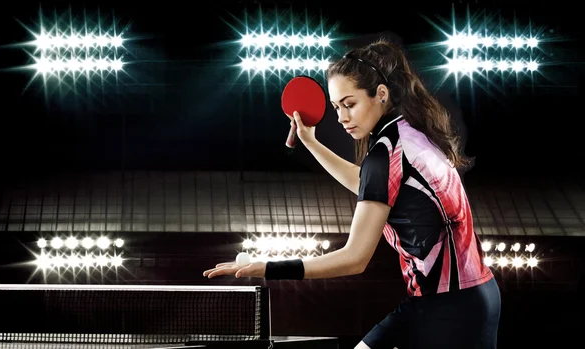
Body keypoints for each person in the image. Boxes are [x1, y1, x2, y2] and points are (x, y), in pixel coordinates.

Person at [203, 39, 500, 349]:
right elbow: (372, 184)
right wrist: (312, 143)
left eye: (350, 103)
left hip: (450, 309)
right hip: (466, 298)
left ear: (381, 95)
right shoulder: (410, 134)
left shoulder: (384, 156)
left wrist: (267, 268)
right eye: (336, 107)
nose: (342, 116)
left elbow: (354, 258)